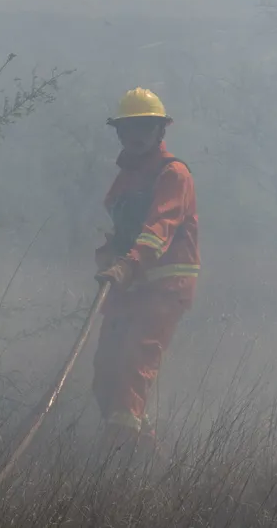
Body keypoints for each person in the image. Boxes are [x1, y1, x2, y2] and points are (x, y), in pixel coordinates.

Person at [92, 87, 200, 452]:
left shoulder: (174, 175)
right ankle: (144, 450)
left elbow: (158, 231)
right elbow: (123, 232)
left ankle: (118, 462)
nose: (135, 136)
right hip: (129, 285)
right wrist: (109, 255)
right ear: (119, 133)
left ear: (160, 132)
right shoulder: (126, 177)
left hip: (162, 290)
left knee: (132, 367)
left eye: (144, 127)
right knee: (105, 375)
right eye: (128, 129)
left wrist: (129, 265)